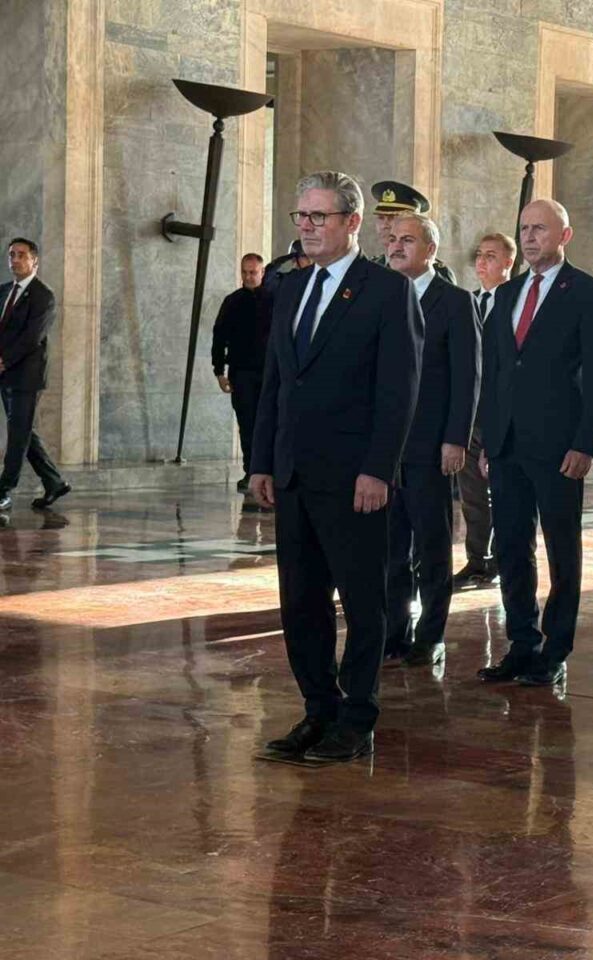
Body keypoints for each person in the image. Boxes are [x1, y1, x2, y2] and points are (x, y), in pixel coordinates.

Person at [250, 170, 423, 763]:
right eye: (301, 216)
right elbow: (277, 382)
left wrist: (379, 468)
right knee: (301, 603)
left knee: (363, 601)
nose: (306, 226)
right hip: (294, 475)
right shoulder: (291, 288)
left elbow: (398, 390)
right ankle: (318, 710)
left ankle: (357, 718)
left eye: (318, 216)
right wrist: (262, 461)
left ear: (352, 222)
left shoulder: (387, 290)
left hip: (355, 479)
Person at [476, 199, 593, 687]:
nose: (530, 237)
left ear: (564, 235)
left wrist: (585, 444)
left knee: (561, 548)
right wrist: (488, 439)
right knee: (512, 547)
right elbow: (494, 372)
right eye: (525, 229)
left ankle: (555, 649)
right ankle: (521, 643)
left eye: (540, 229)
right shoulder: (508, 293)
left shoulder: (586, 291)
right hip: (507, 445)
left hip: (559, 447)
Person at [383, 212, 481, 667]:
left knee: (432, 545)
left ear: (430, 250)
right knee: (389, 549)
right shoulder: (380, 296)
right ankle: (394, 632)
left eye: (408, 239)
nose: (396, 246)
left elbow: (467, 377)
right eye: (392, 239)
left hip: (430, 445)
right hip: (385, 449)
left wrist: (456, 438)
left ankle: (431, 634)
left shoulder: (455, 302)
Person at [453, 232, 515, 590]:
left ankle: (506, 559)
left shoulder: (516, 302)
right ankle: (478, 560)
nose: (482, 261)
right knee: (472, 495)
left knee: (504, 494)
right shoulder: (469, 302)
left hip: (502, 416)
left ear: (508, 262)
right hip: (469, 416)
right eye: (479, 255)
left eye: (491, 255)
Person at [0, 238, 69, 513]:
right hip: (6, 373)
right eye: (11, 255)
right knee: (23, 429)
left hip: (26, 375)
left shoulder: (44, 296)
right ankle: (54, 482)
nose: (15, 260)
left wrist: (4, 361)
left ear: (34, 261)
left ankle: (4, 490)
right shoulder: (4, 291)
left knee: (18, 433)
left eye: (21, 255)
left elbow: (32, 337)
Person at [211, 252, 269, 492]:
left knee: (270, 425)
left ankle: (270, 473)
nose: (248, 277)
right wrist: (219, 371)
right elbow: (219, 337)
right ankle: (251, 472)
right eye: (244, 272)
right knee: (247, 424)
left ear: (262, 272)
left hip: (270, 374)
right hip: (241, 373)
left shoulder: (275, 300)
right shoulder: (232, 302)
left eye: (253, 272)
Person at [368, 180, 456, 284]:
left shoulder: (437, 272)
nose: (384, 225)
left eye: (392, 217)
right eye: (381, 218)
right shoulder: (372, 266)